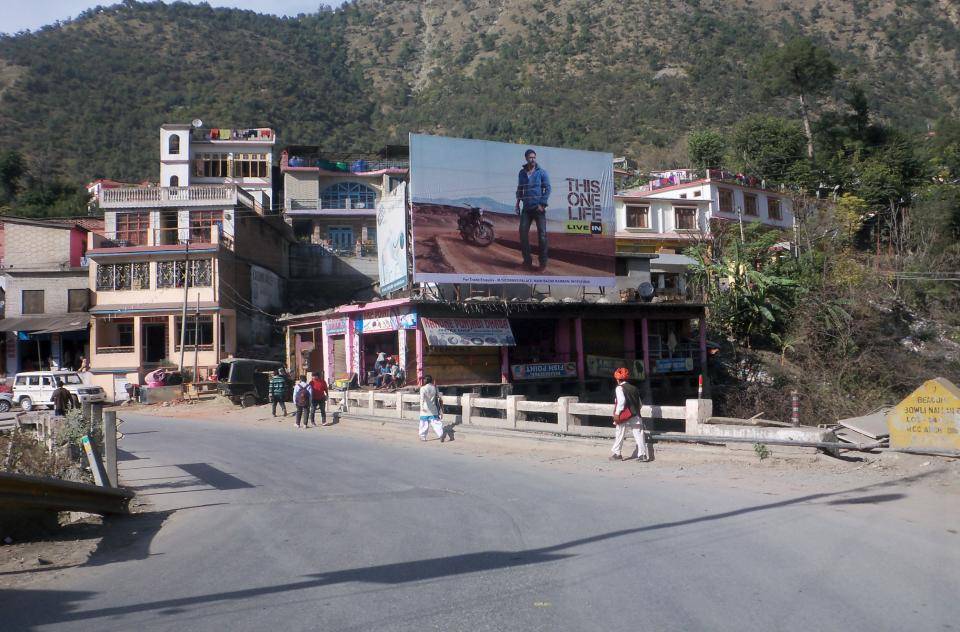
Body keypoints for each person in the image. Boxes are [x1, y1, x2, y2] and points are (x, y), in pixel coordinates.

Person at [515, 148, 551, 270]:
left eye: (534, 157)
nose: (532, 159)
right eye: (530, 157)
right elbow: (520, 188)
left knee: (542, 235)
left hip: (538, 208)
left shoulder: (541, 172)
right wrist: (517, 204)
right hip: (526, 208)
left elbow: (548, 188)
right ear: (526, 158)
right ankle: (527, 261)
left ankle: (543, 264)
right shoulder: (522, 173)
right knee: (522, 233)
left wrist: (543, 204)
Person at [610, 367, 652, 462]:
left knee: (620, 433)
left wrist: (617, 414)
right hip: (635, 414)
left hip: (623, 415)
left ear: (617, 379)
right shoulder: (634, 388)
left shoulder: (619, 388)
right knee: (639, 434)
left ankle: (617, 453)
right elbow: (640, 404)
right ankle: (642, 455)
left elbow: (621, 402)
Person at [418, 375, 445, 442]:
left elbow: (422, 399)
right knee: (436, 423)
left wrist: (421, 407)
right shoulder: (435, 387)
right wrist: (441, 409)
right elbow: (439, 397)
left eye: (424, 379)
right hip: (433, 409)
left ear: (426, 380)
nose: (423, 381)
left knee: (424, 424)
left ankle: (423, 437)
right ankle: (440, 434)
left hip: (425, 409)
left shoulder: (423, 388)